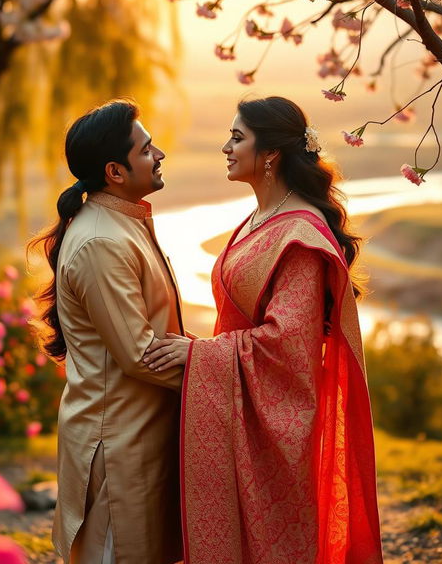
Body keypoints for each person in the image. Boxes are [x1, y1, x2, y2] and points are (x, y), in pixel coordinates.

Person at [145, 96, 383, 564]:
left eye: (237, 137)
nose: (225, 147)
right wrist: (203, 352)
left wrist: (199, 356)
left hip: (275, 420)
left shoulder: (300, 236)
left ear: (270, 153)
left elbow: (285, 344)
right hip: (239, 404)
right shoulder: (257, 220)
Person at [28, 100, 184, 564]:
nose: (159, 156)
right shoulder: (102, 240)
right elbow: (140, 354)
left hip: (140, 432)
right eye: (147, 149)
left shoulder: (121, 223)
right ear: (115, 171)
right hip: (118, 443)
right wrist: (232, 372)